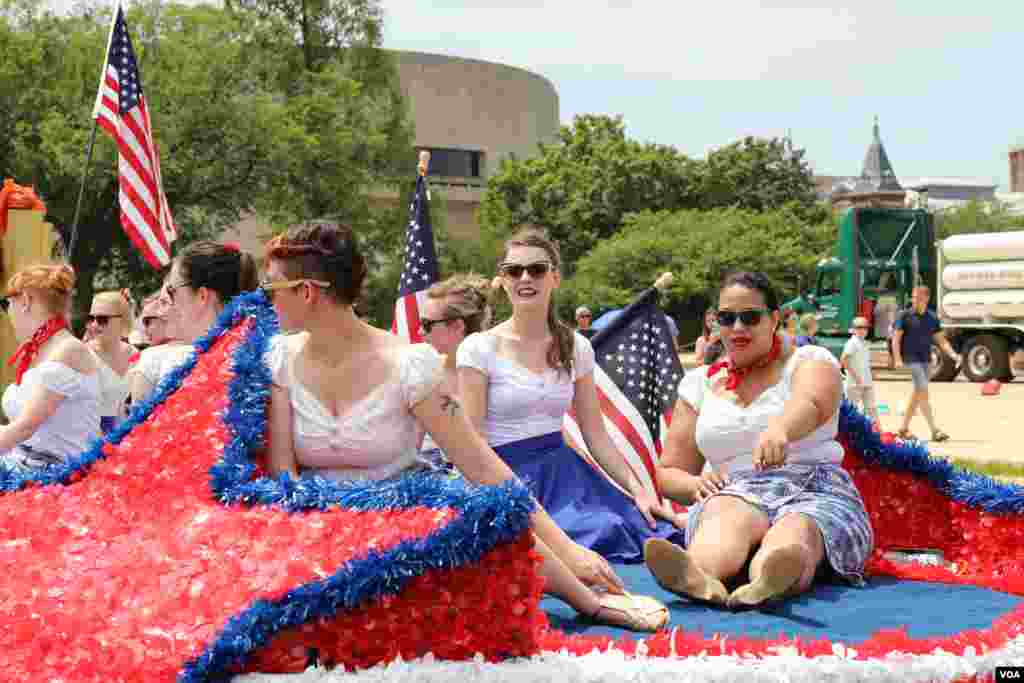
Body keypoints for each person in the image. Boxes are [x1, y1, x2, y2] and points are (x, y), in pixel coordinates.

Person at [260, 221, 668, 632]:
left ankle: (588, 600)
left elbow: (481, 465)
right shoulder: (277, 358)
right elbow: (283, 475)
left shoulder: (410, 364)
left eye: (271, 289)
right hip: (314, 529)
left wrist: (568, 551)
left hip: (402, 526)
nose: (266, 300)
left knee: (481, 512)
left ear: (307, 291)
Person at [457, 227, 685, 565]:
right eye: (513, 271)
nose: (525, 278)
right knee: (569, 541)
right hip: (505, 477)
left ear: (554, 278)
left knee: (629, 528)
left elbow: (596, 436)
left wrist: (638, 489)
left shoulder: (577, 346)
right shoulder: (478, 347)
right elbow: (472, 443)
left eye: (536, 269)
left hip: (567, 475)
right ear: (502, 280)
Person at [647, 271, 873, 608]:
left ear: (775, 319)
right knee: (726, 515)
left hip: (813, 486)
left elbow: (812, 402)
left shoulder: (810, 360)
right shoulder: (697, 384)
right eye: (727, 318)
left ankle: (771, 578)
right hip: (734, 490)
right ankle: (698, 574)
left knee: (797, 529)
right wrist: (694, 485)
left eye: (750, 317)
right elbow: (669, 471)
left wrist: (781, 429)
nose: (738, 327)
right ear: (715, 322)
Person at [0, 264, 101, 471]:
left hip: (50, 478)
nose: (7, 314)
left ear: (25, 301)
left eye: (6, 304)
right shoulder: (43, 351)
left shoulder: (68, 350)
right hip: (24, 464)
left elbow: (24, 428)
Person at [131, 242, 258, 405]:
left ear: (202, 296)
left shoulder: (259, 363)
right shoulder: (257, 353)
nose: (163, 311)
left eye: (171, 292)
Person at [419, 273, 493, 468]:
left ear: (457, 326)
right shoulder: (422, 376)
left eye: (427, 325)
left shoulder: (502, 374)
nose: (420, 332)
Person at [892, 284, 960, 442]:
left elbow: (941, 341)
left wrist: (954, 355)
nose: (914, 300)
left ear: (926, 299)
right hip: (911, 359)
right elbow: (896, 339)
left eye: (918, 298)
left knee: (917, 395)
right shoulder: (904, 315)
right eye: (913, 297)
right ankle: (934, 430)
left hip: (926, 360)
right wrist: (897, 359)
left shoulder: (932, 318)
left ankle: (903, 429)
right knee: (923, 392)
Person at [86, 290, 136, 433]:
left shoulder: (135, 355)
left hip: (123, 434)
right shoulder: (83, 355)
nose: (94, 325)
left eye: (102, 319)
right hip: (89, 438)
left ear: (122, 320)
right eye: (91, 319)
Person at [842, 316, 880, 429]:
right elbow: (843, 360)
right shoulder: (852, 343)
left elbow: (864, 362)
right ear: (853, 329)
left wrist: (870, 373)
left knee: (871, 408)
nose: (863, 330)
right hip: (854, 384)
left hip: (866, 382)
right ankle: (847, 435)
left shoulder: (865, 343)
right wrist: (856, 377)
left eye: (865, 327)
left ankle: (877, 433)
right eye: (859, 327)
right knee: (851, 411)